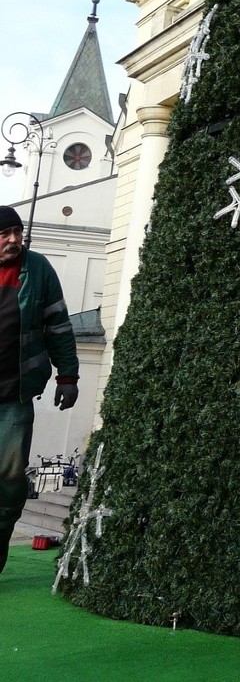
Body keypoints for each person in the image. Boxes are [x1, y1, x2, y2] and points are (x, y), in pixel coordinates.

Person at [0, 206, 79, 576]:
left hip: (13, 399)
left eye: (17, 231)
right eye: (5, 233)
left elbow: (59, 327)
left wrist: (68, 377)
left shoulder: (39, 270)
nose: (14, 239)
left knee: (9, 484)